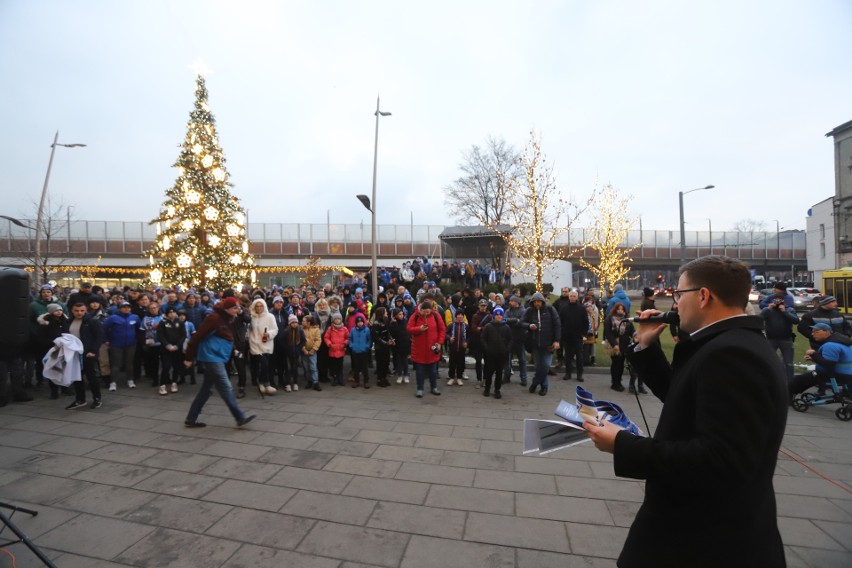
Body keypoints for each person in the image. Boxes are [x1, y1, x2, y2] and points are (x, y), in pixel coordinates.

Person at [584, 255, 788, 567]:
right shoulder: (728, 343)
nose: (675, 304)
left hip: (702, 540)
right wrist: (646, 347)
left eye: (679, 295)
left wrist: (622, 444)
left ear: (704, 296)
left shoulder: (732, 354)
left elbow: (720, 460)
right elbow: (685, 400)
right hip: (705, 532)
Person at [183, 297, 256, 428]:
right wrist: (189, 357)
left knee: (206, 390)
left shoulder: (228, 318)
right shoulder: (214, 318)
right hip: (211, 357)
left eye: (238, 307)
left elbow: (226, 336)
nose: (238, 310)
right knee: (226, 387)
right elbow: (196, 338)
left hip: (217, 355)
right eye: (235, 308)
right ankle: (239, 417)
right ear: (227, 309)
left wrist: (234, 350)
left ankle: (191, 418)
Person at [789, 322, 852, 399]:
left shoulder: (830, 345)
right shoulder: (843, 342)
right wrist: (814, 358)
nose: (812, 334)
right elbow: (839, 360)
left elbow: (828, 364)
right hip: (847, 373)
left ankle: (787, 398)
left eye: (816, 331)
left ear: (827, 332)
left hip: (836, 374)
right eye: (812, 332)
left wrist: (813, 354)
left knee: (797, 380)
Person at [62, 302, 104, 409]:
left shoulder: (92, 322)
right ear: (72, 310)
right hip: (74, 353)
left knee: (91, 376)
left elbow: (99, 338)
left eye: (82, 311)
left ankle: (97, 398)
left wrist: (93, 351)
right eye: (76, 310)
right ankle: (80, 399)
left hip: (88, 353)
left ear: (86, 310)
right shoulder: (68, 322)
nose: (79, 313)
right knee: (77, 377)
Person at [522, 292, 561, 396]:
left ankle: (535, 383)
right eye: (535, 302)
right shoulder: (529, 311)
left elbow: (557, 324)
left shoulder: (550, 309)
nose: (537, 303)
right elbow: (522, 322)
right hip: (535, 343)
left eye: (539, 301)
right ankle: (544, 386)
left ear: (542, 301)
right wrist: (529, 325)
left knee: (546, 365)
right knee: (538, 366)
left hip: (548, 343)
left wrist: (557, 340)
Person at [760, 283, 799, 381]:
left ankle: (790, 382)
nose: (777, 302)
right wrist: (768, 309)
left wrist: (784, 311)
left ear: (783, 301)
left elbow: (796, 321)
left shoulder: (789, 309)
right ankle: (768, 380)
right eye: (775, 300)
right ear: (773, 300)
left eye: (779, 300)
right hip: (771, 339)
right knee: (768, 360)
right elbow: (759, 319)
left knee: (788, 363)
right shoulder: (768, 310)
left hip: (786, 339)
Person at [407, 299, 446, 398]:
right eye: (424, 311)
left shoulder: (436, 316)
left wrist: (439, 342)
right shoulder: (415, 316)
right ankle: (420, 388)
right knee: (419, 371)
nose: (426, 313)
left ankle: (434, 387)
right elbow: (409, 328)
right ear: (421, 309)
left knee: (433, 371)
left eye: (428, 312)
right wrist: (419, 329)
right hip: (419, 349)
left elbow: (442, 329)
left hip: (432, 349)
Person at [102, 301, 141, 391]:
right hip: (116, 344)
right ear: (120, 308)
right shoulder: (113, 318)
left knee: (129, 363)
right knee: (116, 364)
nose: (126, 309)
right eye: (124, 307)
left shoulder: (134, 317)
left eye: (128, 307)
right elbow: (104, 329)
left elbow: (139, 328)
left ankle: (130, 380)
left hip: (131, 344)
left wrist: (138, 339)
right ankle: (113, 382)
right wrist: (106, 340)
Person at [603, 302, 636, 392]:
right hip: (614, 345)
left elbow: (632, 330)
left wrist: (635, 336)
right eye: (618, 309)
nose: (620, 310)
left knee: (621, 364)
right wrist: (614, 344)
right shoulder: (609, 319)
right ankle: (615, 383)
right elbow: (608, 333)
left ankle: (618, 381)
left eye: (622, 309)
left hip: (624, 345)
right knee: (616, 363)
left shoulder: (626, 320)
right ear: (615, 309)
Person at [480, 306, 512, 399]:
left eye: (500, 315)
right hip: (490, 354)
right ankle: (487, 388)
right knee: (489, 372)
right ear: (494, 316)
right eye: (497, 315)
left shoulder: (506, 327)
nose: (498, 316)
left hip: (501, 354)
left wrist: (507, 349)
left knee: (499, 373)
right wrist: (487, 348)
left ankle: (497, 390)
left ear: (502, 316)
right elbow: (483, 338)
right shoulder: (488, 326)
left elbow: (510, 340)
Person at [248, 298, 278, 395]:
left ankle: (261, 383)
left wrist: (268, 334)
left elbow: (275, 329)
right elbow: (249, 331)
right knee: (263, 364)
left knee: (265, 365)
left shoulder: (270, 316)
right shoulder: (251, 317)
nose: (259, 308)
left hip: (266, 344)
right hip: (255, 345)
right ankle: (267, 384)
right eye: (257, 306)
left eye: (261, 306)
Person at [558, 290, 589, 383]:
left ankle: (579, 374)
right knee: (568, 356)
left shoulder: (581, 309)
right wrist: (562, 332)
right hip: (567, 336)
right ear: (569, 297)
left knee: (579, 356)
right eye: (571, 296)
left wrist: (583, 333)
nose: (572, 298)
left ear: (577, 297)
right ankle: (568, 373)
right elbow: (560, 322)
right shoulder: (564, 308)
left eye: (574, 296)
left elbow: (585, 322)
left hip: (578, 336)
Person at [156, 306, 186, 395]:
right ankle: (162, 384)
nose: (172, 314)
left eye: (173, 312)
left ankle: (174, 382)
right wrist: (167, 345)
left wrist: (177, 345)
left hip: (177, 348)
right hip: (166, 349)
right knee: (166, 366)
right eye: (170, 312)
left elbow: (183, 335)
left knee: (176, 366)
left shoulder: (180, 322)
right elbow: (160, 335)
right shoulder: (162, 323)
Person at [503, 295, 529, 386]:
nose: (510, 302)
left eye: (512, 301)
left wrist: (514, 322)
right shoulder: (507, 311)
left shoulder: (523, 311)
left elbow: (521, 322)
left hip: (519, 338)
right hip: (509, 338)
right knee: (507, 359)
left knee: (522, 360)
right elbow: (504, 320)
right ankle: (506, 376)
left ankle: (524, 378)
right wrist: (515, 320)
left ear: (516, 302)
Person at [324, 314, 349, 387]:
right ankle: (334, 378)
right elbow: (326, 337)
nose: (337, 320)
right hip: (332, 350)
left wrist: (345, 343)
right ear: (333, 320)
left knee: (340, 365)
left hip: (341, 350)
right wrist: (329, 344)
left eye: (339, 319)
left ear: (341, 320)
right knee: (333, 366)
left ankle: (340, 378)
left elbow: (348, 338)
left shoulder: (344, 329)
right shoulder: (330, 329)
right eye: (336, 319)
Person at [348, 314, 372, 388]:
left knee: (365, 367)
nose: (360, 323)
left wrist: (367, 347)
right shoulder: (353, 330)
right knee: (356, 367)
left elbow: (369, 339)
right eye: (358, 322)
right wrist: (352, 346)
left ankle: (366, 381)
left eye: (361, 322)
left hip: (364, 351)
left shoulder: (367, 330)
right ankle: (356, 381)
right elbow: (350, 339)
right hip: (355, 351)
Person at [446, 309, 468, 386]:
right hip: (453, 348)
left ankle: (459, 378)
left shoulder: (466, 326)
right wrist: (449, 338)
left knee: (460, 363)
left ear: (463, 316)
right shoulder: (451, 325)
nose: (460, 316)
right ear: (456, 316)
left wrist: (467, 343)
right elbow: (446, 334)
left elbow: (469, 337)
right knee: (452, 363)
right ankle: (451, 377)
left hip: (462, 349)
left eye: (461, 315)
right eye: (458, 314)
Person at [388, 307, 411, 384]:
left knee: (405, 361)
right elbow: (391, 333)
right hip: (397, 345)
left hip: (405, 344)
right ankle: (400, 375)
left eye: (402, 314)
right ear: (395, 316)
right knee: (398, 361)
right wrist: (394, 324)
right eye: (399, 314)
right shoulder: (393, 324)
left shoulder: (406, 321)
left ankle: (406, 375)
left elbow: (408, 332)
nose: (401, 316)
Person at [301, 315, 322, 391]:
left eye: (303, 321)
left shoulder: (316, 329)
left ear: (308, 322)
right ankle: (309, 381)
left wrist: (313, 349)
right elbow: (299, 340)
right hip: (304, 351)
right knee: (306, 367)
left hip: (313, 351)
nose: (302, 322)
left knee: (313, 367)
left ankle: (315, 382)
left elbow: (318, 340)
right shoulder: (301, 329)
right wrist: (304, 350)